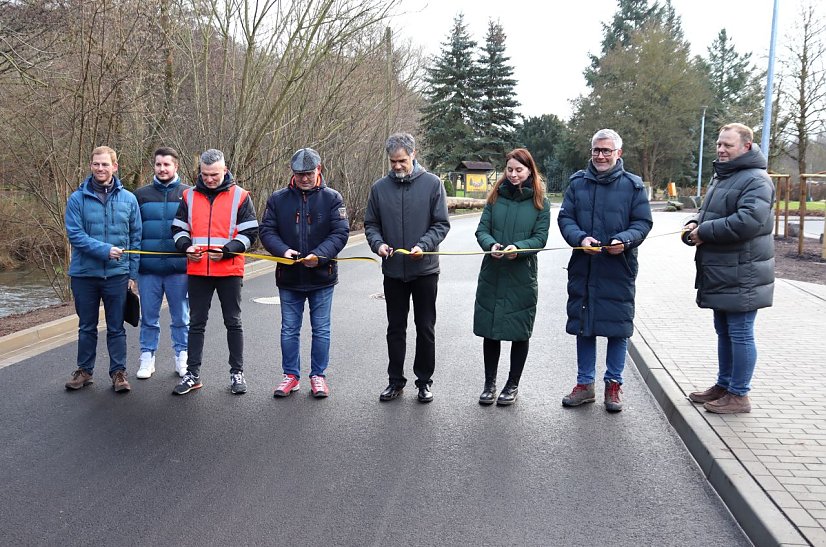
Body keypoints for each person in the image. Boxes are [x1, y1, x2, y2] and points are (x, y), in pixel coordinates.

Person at [558, 129, 653, 412]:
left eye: (606, 151)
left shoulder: (633, 186)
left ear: (618, 153)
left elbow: (643, 223)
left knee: (617, 329)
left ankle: (614, 385)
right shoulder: (577, 183)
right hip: (584, 267)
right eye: (597, 150)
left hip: (618, 268)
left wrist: (624, 240)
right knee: (584, 328)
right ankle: (584, 384)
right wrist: (579, 239)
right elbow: (566, 218)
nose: (600, 155)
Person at [683, 123, 774, 414]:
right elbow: (711, 212)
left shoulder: (757, 180)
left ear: (746, 147)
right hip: (722, 270)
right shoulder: (725, 176)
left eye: (728, 145)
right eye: (719, 144)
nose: (721, 150)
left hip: (743, 272)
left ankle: (739, 394)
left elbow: (748, 221)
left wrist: (705, 231)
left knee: (741, 332)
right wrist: (695, 224)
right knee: (724, 330)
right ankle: (724, 385)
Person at [364, 133, 450, 403]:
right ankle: (395, 381)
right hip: (393, 272)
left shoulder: (433, 184)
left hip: (424, 270)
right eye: (393, 162)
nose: (397, 166)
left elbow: (441, 224)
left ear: (413, 154)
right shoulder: (379, 188)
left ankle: (424, 382)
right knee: (395, 328)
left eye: (402, 160)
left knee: (425, 327)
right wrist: (377, 244)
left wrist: (424, 245)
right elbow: (371, 225)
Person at [259, 148, 349, 398]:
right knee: (289, 328)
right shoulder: (278, 199)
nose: (304, 179)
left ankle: (318, 376)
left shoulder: (333, 198)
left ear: (319, 170)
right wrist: (283, 251)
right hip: (289, 277)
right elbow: (267, 231)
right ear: (293, 174)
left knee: (321, 329)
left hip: (322, 275)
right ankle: (290, 376)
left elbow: (340, 233)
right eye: (299, 174)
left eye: (309, 173)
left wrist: (319, 256)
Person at [170, 149, 259, 395]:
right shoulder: (188, 196)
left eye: (215, 175)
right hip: (198, 270)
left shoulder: (240, 197)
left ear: (225, 171)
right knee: (196, 323)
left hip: (229, 269)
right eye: (205, 174)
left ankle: (237, 373)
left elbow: (250, 232)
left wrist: (229, 250)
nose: (209, 179)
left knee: (233, 322)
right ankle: (193, 374)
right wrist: (187, 247)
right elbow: (177, 229)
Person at [473, 148, 550, 406]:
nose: (514, 174)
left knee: (520, 333)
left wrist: (519, 248)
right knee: (491, 331)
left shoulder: (540, 202)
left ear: (529, 171)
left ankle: (512, 384)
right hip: (493, 273)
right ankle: (489, 383)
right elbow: (482, 230)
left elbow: (540, 238)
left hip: (521, 276)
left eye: (519, 170)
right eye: (510, 169)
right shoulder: (495, 197)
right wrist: (491, 245)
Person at [64, 146, 141, 393]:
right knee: (86, 326)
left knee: (116, 327)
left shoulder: (129, 199)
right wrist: (105, 250)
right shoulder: (77, 199)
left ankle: (118, 373)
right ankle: (84, 371)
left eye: (105, 164)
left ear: (114, 167)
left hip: (117, 276)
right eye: (96, 164)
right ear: (91, 165)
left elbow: (135, 238)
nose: (100, 168)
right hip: (84, 275)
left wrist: (132, 274)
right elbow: (75, 235)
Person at [134, 147, 190, 379]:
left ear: (175, 166)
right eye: (158, 164)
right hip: (148, 269)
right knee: (148, 317)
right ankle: (147, 358)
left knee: (181, 317)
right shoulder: (140, 195)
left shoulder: (189, 194)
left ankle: (182, 357)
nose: (162, 168)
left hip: (179, 269)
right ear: (154, 166)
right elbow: (133, 232)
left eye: (167, 164)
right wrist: (132, 269)